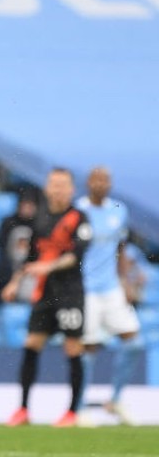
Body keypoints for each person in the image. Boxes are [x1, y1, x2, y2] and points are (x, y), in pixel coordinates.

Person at [3, 168, 90, 428]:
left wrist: (47, 267)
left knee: (73, 349)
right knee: (31, 345)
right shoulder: (39, 219)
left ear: (72, 189)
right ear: (47, 188)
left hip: (70, 294)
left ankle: (72, 413)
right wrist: (15, 282)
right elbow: (31, 257)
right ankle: (23, 410)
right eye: (54, 184)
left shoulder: (79, 218)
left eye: (63, 185)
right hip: (44, 294)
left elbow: (76, 256)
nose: (58, 189)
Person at [76, 167, 142, 425]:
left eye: (106, 180)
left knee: (134, 342)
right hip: (86, 289)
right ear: (89, 182)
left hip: (112, 287)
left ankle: (115, 399)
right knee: (88, 348)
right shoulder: (78, 211)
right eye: (97, 179)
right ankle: (80, 406)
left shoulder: (119, 210)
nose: (102, 184)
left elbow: (120, 248)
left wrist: (125, 282)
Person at [0, 187, 40, 304]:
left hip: (29, 268)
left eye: (30, 205)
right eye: (25, 204)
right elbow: (2, 247)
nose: (27, 208)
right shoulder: (8, 223)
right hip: (8, 266)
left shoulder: (39, 226)